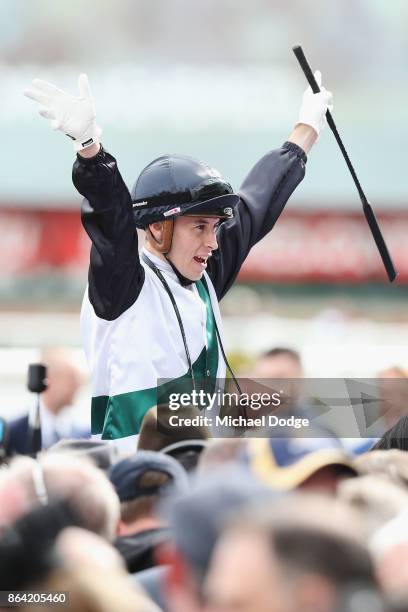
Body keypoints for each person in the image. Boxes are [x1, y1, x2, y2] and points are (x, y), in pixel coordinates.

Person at [25, 72, 333, 442]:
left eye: (215, 228)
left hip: (200, 470)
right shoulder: (124, 283)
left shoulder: (201, 277)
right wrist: (91, 150)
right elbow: (112, 221)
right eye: (200, 227)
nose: (213, 243)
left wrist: (306, 130)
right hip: (133, 481)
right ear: (158, 228)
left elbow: (256, 203)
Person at [7, 347, 90, 455]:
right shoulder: (13, 432)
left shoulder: (84, 435)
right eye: (71, 378)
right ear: (49, 380)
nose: (78, 385)